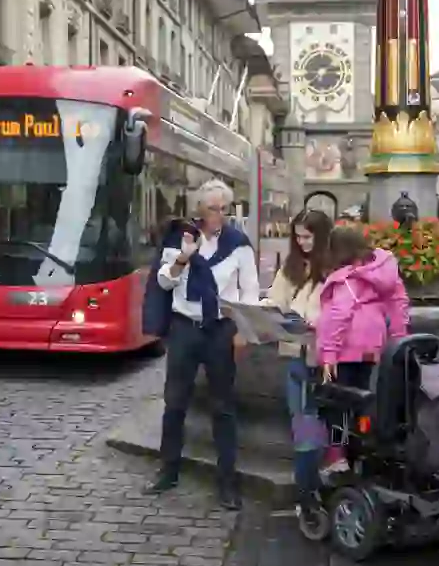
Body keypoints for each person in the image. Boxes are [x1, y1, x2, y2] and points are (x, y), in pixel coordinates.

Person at [141, 179, 261, 510]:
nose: (219, 216)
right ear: (199, 210)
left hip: (220, 329)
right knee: (175, 401)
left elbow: (250, 291)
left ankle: (227, 482)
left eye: (224, 209)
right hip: (184, 328)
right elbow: (164, 281)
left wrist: (242, 330)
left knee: (223, 407)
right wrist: (182, 258)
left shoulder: (239, 244)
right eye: (213, 209)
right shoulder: (180, 238)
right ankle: (168, 470)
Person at [316, 225, 410, 472]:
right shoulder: (383, 269)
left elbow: (339, 314)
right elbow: (399, 303)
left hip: (346, 347)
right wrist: (400, 338)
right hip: (371, 346)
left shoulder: (348, 278)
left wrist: (328, 354)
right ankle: (359, 455)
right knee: (361, 400)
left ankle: (337, 457)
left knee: (336, 403)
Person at [262, 209, 334, 515]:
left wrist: (314, 320)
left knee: (326, 428)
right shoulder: (290, 266)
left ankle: (319, 489)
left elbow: (338, 309)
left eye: (308, 236)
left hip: (325, 360)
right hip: (296, 358)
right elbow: (275, 299)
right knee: (303, 426)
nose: (302, 242)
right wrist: (262, 309)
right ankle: (306, 493)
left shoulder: (333, 268)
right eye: (298, 237)